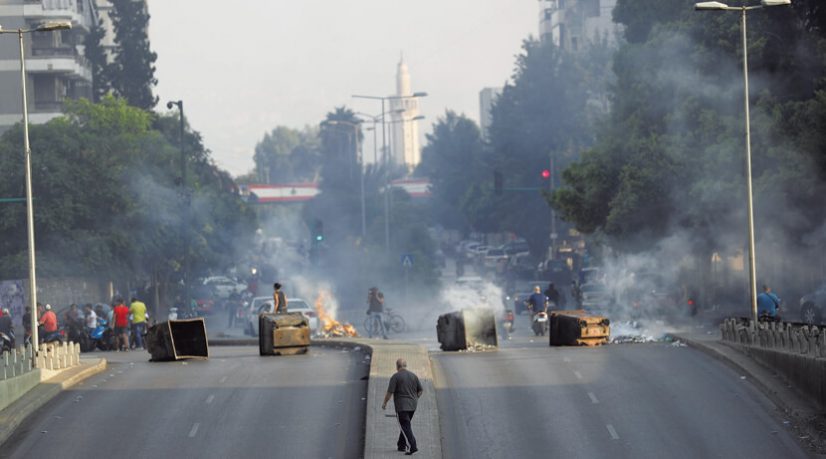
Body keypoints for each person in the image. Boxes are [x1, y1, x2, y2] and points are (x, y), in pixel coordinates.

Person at [382, 358, 423, 455]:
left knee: (405, 426)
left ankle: (413, 446)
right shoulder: (413, 376)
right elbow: (420, 390)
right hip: (413, 406)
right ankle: (401, 445)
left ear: (397, 366)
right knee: (405, 425)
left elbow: (390, 392)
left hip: (402, 406)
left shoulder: (395, 377)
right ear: (405, 365)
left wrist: (384, 403)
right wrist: (415, 398)